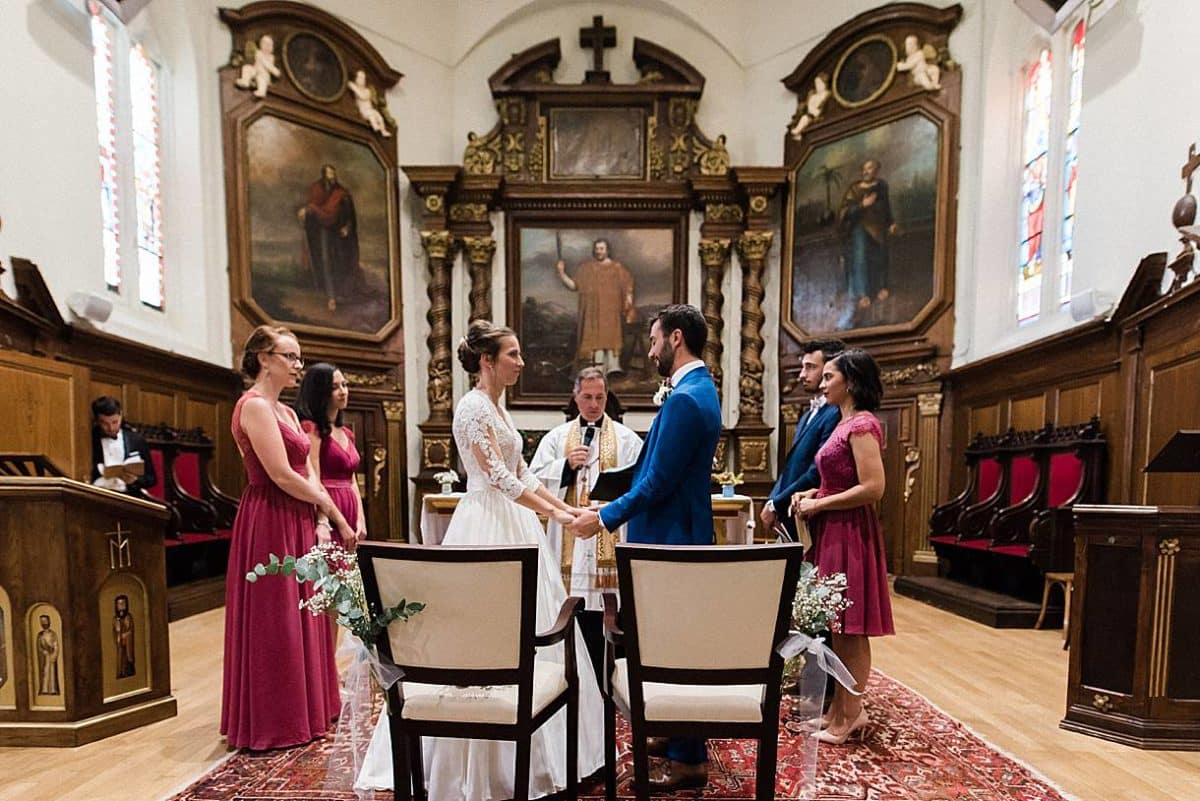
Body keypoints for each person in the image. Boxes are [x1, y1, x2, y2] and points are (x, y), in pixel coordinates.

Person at [356, 319, 605, 800]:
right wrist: (560, 514)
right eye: (513, 354)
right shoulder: (472, 409)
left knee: (530, 624)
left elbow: (524, 474)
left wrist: (565, 511)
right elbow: (502, 482)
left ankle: (542, 750)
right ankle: (473, 758)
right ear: (487, 360)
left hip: (515, 523)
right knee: (482, 633)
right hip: (486, 524)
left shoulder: (498, 406)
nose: (522, 361)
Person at [569, 303, 721, 792]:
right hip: (674, 532)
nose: (650, 349)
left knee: (674, 648)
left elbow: (657, 482)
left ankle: (688, 759)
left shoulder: (684, 399)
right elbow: (654, 469)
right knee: (664, 643)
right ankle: (675, 736)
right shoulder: (697, 389)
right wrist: (611, 487)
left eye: (655, 340)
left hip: (671, 540)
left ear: (676, 338)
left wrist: (606, 517)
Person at [221, 325, 353, 751]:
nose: (298, 365)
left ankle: (311, 708)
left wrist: (320, 518)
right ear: (263, 357)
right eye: (290, 357)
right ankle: (277, 719)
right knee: (276, 617)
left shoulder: (290, 414)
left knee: (308, 613)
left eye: (299, 358)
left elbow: (308, 471)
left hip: (298, 517)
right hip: (270, 519)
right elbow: (280, 475)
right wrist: (332, 510)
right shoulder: (254, 406)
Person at [791, 348, 895, 745]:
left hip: (850, 531)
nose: (823, 382)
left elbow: (873, 487)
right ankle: (838, 710)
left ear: (850, 382)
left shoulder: (863, 424)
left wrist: (821, 502)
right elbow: (840, 476)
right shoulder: (842, 421)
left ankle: (852, 713)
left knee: (851, 627)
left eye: (830, 376)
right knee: (835, 625)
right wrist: (815, 490)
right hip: (832, 527)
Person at [529, 366, 643, 681]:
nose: (594, 404)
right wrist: (565, 466)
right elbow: (533, 478)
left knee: (607, 606)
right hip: (570, 533)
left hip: (608, 529)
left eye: (600, 397)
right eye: (587, 397)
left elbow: (638, 483)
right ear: (576, 397)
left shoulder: (626, 439)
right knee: (571, 603)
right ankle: (571, 664)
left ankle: (609, 662)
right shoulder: (556, 438)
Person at [761, 338, 845, 542]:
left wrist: (777, 504)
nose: (801, 375)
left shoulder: (835, 413)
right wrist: (773, 500)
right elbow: (791, 466)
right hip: (789, 509)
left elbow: (817, 470)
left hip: (811, 512)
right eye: (802, 367)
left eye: (810, 367)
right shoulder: (808, 415)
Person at [295, 362, 367, 550]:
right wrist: (339, 522)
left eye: (344, 384)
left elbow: (352, 480)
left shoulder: (346, 433)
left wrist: (360, 517)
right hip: (327, 508)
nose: (343, 391)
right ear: (320, 392)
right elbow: (314, 478)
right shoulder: (311, 428)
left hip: (349, 506)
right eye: (334, 387)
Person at [556, 238, 636, 374]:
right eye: (597, 248)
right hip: (593, 314)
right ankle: (597, 369)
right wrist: (562, 273)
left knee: (611, 337)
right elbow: (574, 285)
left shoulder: (617, 268)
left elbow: (628, 286)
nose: (598, 251)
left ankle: (613, 368)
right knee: (595, 339)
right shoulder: (586, 268)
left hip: (611, 312)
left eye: (601, 248)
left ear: (607, 250)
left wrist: (628, 299)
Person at [298, 164, 364, 313]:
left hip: (338, 233)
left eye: (333, 174)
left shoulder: (341, 193)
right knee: (326, 260)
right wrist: (308, 210)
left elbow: (349, 212)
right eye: (329, 174)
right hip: (323, 232)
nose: (332, 177)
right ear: (324, 176)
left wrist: (348, 226)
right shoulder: (317, 189)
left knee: (339, 261)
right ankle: (331, 297)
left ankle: (340, 292)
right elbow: (313, 207)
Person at [837, 159, 897, 321]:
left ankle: (882, 287)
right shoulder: (854, 189)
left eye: (869, 168)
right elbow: (844, 212)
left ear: (876, 170)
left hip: (879, 228)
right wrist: (862, 205)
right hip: (860, 229)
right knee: (861, 259)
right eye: (864, 169)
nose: (866, 171)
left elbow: (886, 206)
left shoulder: (881, 186)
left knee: (881, 257)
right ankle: (863, 294)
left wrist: (890, 222)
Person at [90, 396, 157, 497]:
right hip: (100, 496)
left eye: (115, 422)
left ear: (121, 415)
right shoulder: (90, 440)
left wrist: (135, 481)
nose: (111, 428)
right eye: (105, 424)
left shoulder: (136, 440)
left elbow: (152, 479)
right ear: (97, 421)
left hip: (129, 496)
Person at [347, 69, 391, 137]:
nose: (362, 80)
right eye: (360, 77)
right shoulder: (355, 88)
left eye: (363, 78)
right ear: (355, 78)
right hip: (364, 111)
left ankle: (383, 130)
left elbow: (363, 96)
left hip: (370, 109)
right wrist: (351, 85)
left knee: (379, 117)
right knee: (371, 116)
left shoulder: (367, 90)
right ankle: (375, 126)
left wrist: (353, 87)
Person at [36, 615, 59, 696]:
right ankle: (44, 689)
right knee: (45, 672)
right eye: (42, 622)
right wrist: (43, 651)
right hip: (44, 657)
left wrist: (55, 654)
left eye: (45, 621)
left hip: (51, 655)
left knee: (52, 672)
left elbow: (56, 645)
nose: (44, 623)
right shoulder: (40, 635)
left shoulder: (53, 634)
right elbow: (39, 647)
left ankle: (53, 689)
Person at [113, 594, 135, 679]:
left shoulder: (128, 617)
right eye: (119, 604)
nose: (121, 606)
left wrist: (125, 635)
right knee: (121, 659)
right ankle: (121, 673)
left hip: (127, 643)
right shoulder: (116, 619)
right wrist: (118, 634)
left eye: (123, 604)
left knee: (128, 661)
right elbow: (115, 631)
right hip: (120, 644)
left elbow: (131, 629)